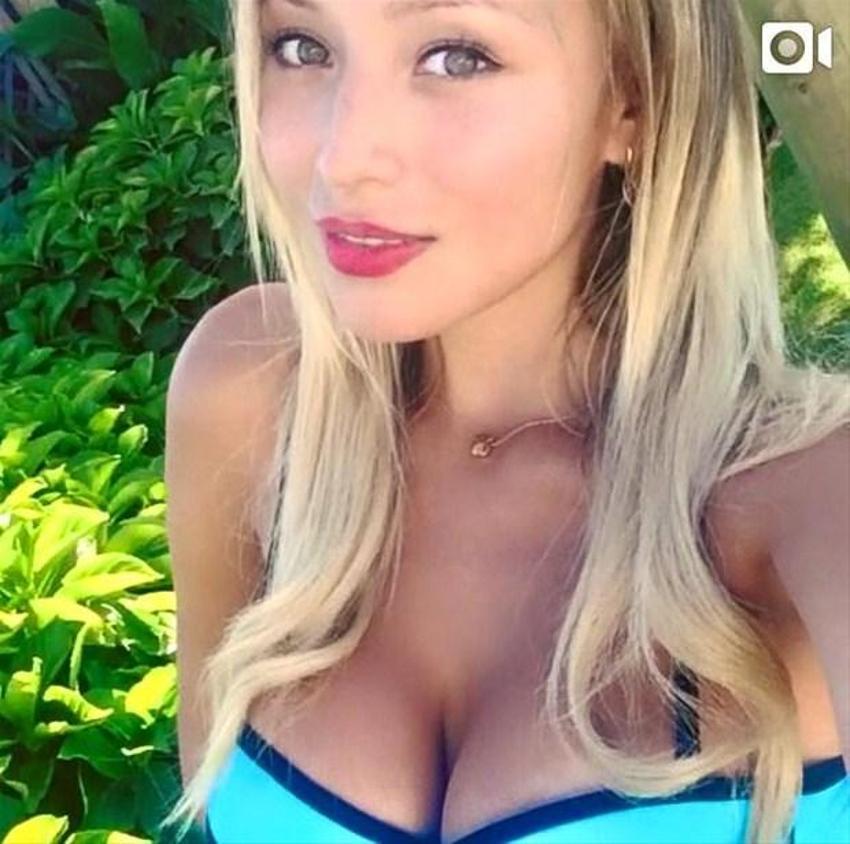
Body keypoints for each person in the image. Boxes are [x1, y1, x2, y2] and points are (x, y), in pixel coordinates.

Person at [161, 1, 850, 842]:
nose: (343, 158)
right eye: (302, 47)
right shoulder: (249, 393)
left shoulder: (806, 487)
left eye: (457, 56)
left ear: (633, 97)